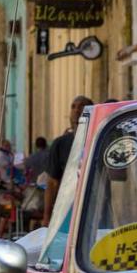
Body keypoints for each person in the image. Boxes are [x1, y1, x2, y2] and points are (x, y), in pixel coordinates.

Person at [43, 96, 94, 224]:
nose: (77, 110)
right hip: (67, 210)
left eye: (82, 106)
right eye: (73, 106)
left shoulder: (98, 139)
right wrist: (46, 217)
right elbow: (52, 183)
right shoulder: (60, 144)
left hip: (94, 208)